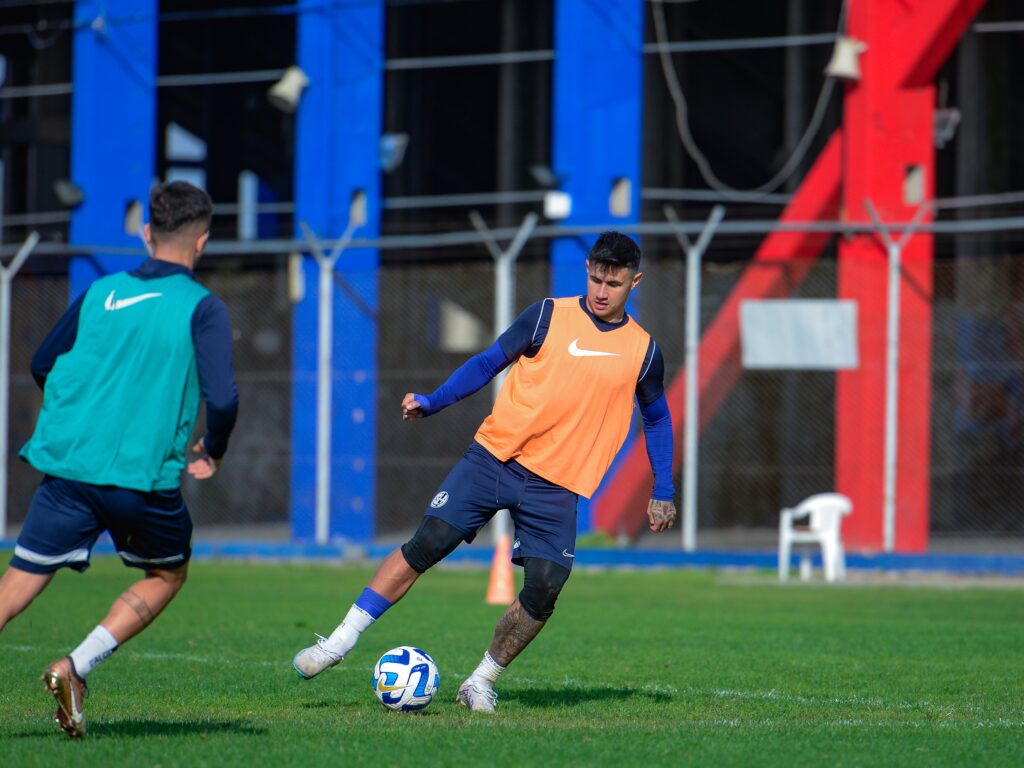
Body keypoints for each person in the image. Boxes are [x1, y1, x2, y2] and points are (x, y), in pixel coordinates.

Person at [292, 231, 676, 713]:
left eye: (614, 284)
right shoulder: (546, 315)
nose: (602, 292)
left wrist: (663, 487)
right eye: (596, 279)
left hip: (558, 486)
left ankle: (480, 680)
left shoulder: (643, 352)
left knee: (545, 588)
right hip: (495, 459)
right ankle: (338, 644)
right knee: (426, 545)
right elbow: (488, 362)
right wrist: (433, 403)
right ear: (587, 272)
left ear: (635, 282)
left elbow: (657, 418)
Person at [0, 180, 239, 739]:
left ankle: (74, 671)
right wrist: (216, 447)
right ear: (202, 241)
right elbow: (223, 397)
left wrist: (88, 408)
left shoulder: (101, 292)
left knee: (16, 584)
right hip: (139, 478)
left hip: (69, 469)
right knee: (167, 572)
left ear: (145, 232)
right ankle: (75, 666)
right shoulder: (203, 308)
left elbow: (43, 362)